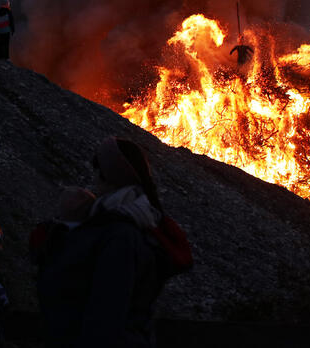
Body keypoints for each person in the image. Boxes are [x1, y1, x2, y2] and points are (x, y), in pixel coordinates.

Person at [35, 137, 192, 348]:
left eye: (97, 169)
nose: (93, 177)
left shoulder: (120, 234)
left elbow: (107, 311)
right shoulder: (112, 223)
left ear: (109, 176)